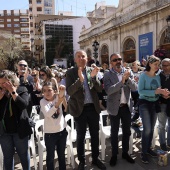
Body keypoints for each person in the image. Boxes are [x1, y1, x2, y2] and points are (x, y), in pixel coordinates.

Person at [66, 50, 106, 170]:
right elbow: (69, 91)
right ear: (75, 59)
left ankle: (95, 158)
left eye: (83, 56)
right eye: (78, 56)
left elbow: (99, 89)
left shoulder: (91, 71)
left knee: (95, 134)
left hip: (92, 108)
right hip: (79, 109)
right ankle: (82, 161)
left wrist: (93, 78)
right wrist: (80, 80)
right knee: (80, 136)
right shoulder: (70, 72)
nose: (81, 58)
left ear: (86, 59)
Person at [103, 53, 137, 166]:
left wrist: (127, 80)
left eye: (119, 59)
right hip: (114, 108)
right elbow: (109, 91)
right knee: (114, 132)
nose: (118, 61)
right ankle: (114, 155)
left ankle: (125, 153)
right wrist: (122, 81)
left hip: (126, 107)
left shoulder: (128, 72)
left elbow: (135, 87)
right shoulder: (107, 74)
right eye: (115, 60)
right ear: (111, 63)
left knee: (127, 132)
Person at [138, 55, 170, 164]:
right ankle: (143, 153)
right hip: (144, 104)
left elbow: (158, 89)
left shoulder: (157, 76)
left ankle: (148, 149)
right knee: (147, 129)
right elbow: (140, 91)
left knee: (151, 128)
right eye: (155, 64)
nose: (158, 66)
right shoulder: (143, 76)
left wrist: (163, 94)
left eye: (158, 64)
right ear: (150, 64)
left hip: (155, 103)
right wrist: (155, 92)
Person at [0, 70, 30, 170]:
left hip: (19, 130)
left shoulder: (22, 89)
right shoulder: (1, 93)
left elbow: (23, 105)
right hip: (5, 132)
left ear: (11, 81)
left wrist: (13, 92)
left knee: (23, 156)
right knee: (8, 158)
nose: (2, 85)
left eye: (4, 83)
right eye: (0, 83)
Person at [40, 81, 67, 170]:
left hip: (62, 132)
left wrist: (62, 90)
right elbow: (48, 114)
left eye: (49, 90)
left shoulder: (57, 97)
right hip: (50, 134)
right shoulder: (42, 101)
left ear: (54, 91)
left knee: (62, 156)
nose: (47, 93)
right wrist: (58, 103)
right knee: (50, 157)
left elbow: (65, 105)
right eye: (44, 91)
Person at [158, 58, 170, 151]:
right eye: (163, 65)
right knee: (162, 125)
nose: (165, 67)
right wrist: (162, 94)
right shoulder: (158, 75)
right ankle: (162, 143)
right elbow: (155, 88)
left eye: (167, 65)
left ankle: (169, 142)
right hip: (161, 103)